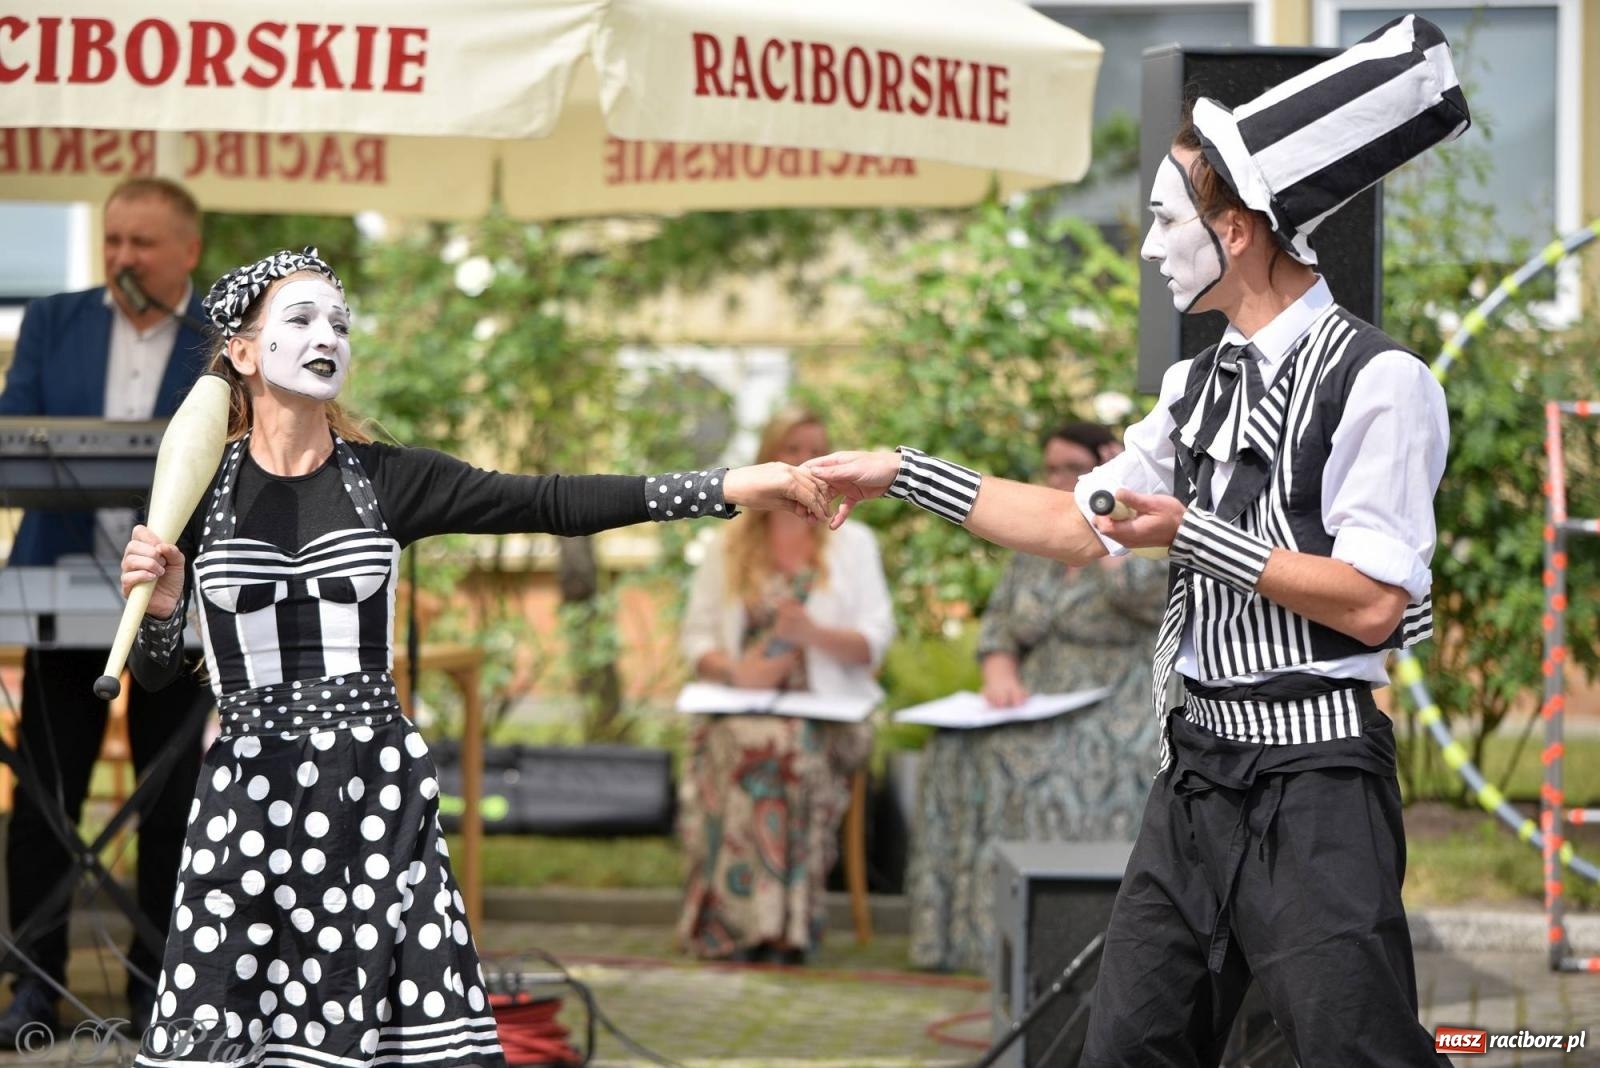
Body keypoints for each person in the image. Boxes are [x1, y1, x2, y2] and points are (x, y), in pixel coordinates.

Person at [806, 15, 1468, 1066]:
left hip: (1316, 785)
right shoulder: (1191, 387)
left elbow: (1373, 602)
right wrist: (899, 472)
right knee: (1125, 1049)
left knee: (1349, 1052)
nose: (1149, 243)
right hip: (1197, 774)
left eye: (1166, 221)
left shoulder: (1382, 384)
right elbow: (1078, 527)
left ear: (1238, 231)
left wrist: (1198, 537)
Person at [117, 248, 832, 1067]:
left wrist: (730, 485)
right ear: (243, 353)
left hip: (369, 791)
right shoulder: (197, 488)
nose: (329, 336)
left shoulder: (386, 482)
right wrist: (166, 611)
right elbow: (155, 674)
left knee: (383, 1042)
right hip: (248, 793)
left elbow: (551, 501)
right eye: (303, 318)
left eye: (341, 322)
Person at [0, 177, 210, 1046]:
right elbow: (14, 432)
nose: (121, 257)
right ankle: (32, 989)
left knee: (171, 808)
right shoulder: (56, 321)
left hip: (180, 605)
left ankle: (157, 990)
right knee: (47, 798)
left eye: (142, 244)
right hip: (61, 586)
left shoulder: (222, 339)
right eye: (113, 240)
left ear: (187, 253)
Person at [907, 421, 1166, 973]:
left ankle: (1071, 945)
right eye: (1050, 469)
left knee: (1045, 762)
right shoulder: (1033, 547)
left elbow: (1145, 598)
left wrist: (1108, 522)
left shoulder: (1147, 531)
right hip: (1036, 698)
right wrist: (999, 674)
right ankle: (968, 943)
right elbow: (1000, 626)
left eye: (1072, 468)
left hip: (1119, 703)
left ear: (1106, 464)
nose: (1058, 479)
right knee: (953, 753)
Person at [676, 407, 895, 964]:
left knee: (783, 745)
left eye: (817, 448)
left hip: (830, 716)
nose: (807, 460)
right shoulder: (728, 546)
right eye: (793, 447)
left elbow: (875, 643)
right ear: (770, 457)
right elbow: (695, 638)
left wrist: (812, 633)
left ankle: (778, 929)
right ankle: (744, 926)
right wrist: (733, 672)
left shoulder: (854, 543)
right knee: (734, 741)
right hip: (739, 706)